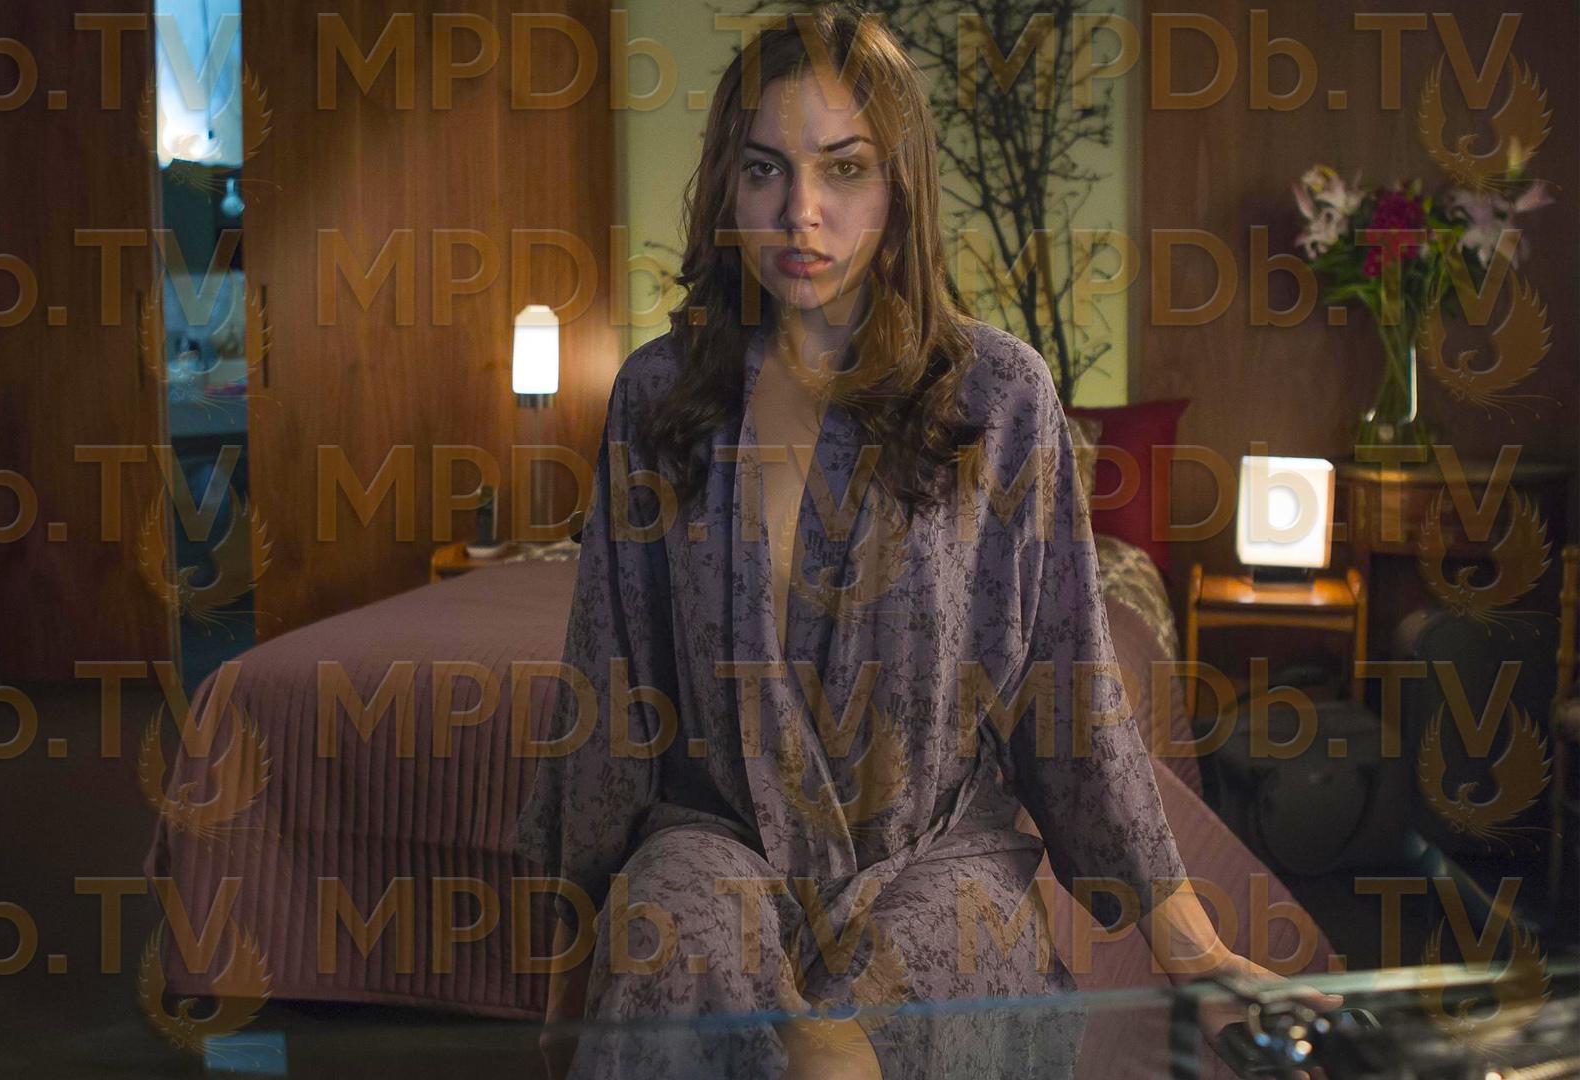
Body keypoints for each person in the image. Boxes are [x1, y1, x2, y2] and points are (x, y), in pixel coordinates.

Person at [513, 6, 1308, 1078]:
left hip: (934, 852)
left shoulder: (1000, 395)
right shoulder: (658, 397)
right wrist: (571, 975)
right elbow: (609, 690)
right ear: (726, 188)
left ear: (899, 188)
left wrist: (1196, 950)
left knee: (882, 1019)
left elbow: (1068, 693)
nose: (801, 211)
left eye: (844, 169)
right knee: (672, 934)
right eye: (764, 169)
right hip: (719, 841)